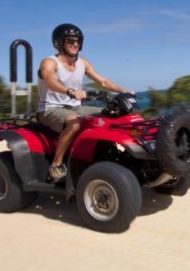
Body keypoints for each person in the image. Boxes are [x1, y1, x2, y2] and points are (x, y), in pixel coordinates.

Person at [37, 23, 133, 182]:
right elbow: (49, 81)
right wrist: (70, 92)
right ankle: (56, 164)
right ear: (59, 43)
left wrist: (124, 92)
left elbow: (102, 81)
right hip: (50, 109)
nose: (75, 44)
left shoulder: (82, 62)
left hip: (75, 108)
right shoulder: (50, 62)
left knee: (109, 114)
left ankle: (105, 155)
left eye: (78, 41)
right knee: (74, 123)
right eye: (70, 41)